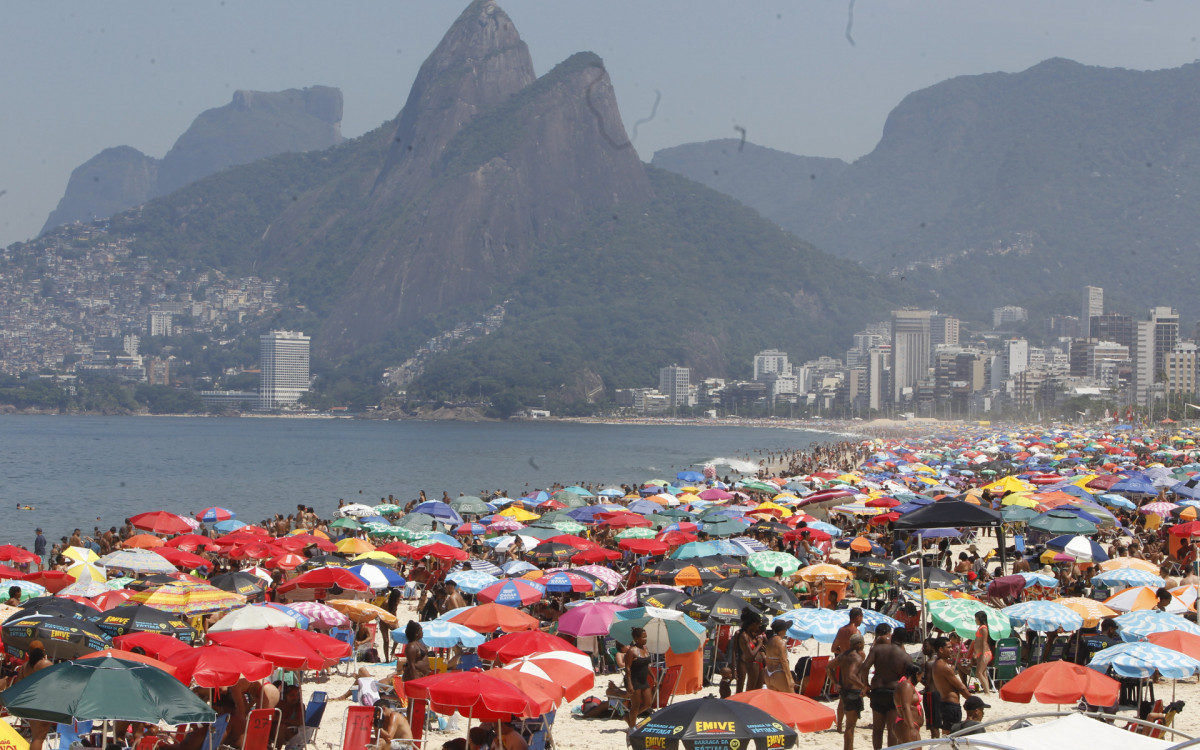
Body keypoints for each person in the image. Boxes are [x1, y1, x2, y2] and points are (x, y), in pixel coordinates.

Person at [857, 623, 910, 750]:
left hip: (877, 691)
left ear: (892, 636)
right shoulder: (906, 657)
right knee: (891, 729)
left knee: (877, 729)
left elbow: (864, 668)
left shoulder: (878, 649)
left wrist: (866, 684)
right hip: (894, 693)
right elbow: (908, 679)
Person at [11, 640, 53, 750]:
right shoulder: (46, 664)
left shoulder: (25, 667)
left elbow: (18, 685)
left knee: (36, 737)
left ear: (29, 652)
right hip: (42, 703)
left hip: (30, 703)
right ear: (43, 651)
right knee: (39, 738)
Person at [931, 637, 973, 737]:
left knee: (948, 735)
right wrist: (973, 701)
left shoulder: (939, 664)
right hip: (951, 706)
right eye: (949, 647)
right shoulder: (943, 666)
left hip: (947, 705)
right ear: (941, 649)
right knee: (952, 736)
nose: (952, 649)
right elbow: (961, 687)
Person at [837, 633, 868, 750]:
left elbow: (829, 666)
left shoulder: (844, 655)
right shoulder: (858, 655)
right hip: (853, 691)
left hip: (844, 689)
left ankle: (839, 726)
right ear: (859, 644)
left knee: (848, 724)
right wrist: (863, 686)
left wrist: (836, 682)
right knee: (850, 726)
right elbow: (851, 675)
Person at [624, 627, 652, 728]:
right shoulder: (632, 651)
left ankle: (629, 717)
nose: (646, 639)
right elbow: (627, 667)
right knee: (635, 706)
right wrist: (629, 683)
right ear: (636, 639)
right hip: (634, 680)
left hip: (643, 680)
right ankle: (632, 727)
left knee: (648, 704)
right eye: (643, 637)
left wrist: (653, 677)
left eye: (646, 637)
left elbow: (646, 665)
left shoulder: (646, 649)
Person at [894, 663, 923, 744]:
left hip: (907, 724)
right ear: (917, 674)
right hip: (906, 725)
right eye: (921, 676)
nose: (920, 679)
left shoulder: (906, 684)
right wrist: (911, 728)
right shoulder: (906, 685)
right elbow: (905, 706)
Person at [763, 620, 794, 692]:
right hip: (778, 673)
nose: (786, 630)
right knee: (792, 698)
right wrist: (790, 678)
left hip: (768, 673)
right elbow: (784, 661)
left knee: (774, 700)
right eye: (785, 629)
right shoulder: (781, 642)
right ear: (781, 630)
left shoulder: (769, 641)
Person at [276, 684, 304, 749]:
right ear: (286, 695)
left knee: (282, 727)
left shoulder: (299, 706)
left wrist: (280, 719)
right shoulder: (280, 704)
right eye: (292, 695)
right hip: (277, 731)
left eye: (297, 695)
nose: (295, 698)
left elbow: (299, 722)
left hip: (294, 733)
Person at [972, 611, 992, 693]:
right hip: (981, 653)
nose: (975, 620)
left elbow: (984, 642)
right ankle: (986, 691)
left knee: (979, 673)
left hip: (985, 653)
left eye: (976, 618)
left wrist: (983, 654)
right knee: (983, 673)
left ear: (980, 619)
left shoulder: (983, 628)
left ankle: (987, 692)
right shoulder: (980, 627)